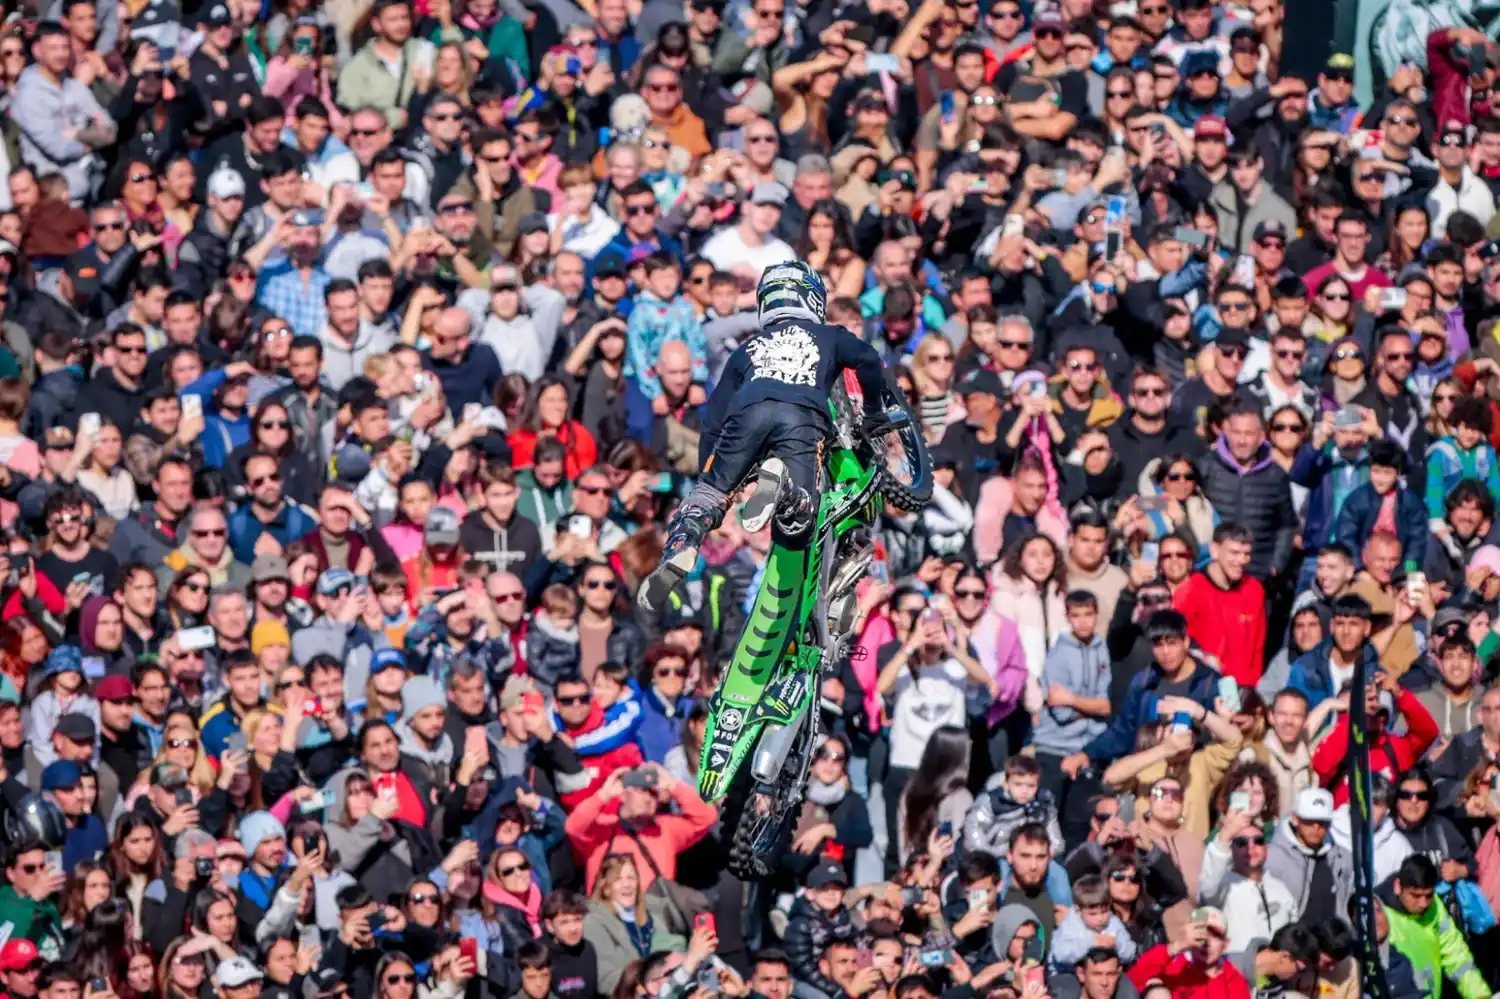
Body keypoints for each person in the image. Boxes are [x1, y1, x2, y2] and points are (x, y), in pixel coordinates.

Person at [638, 261, 885, 609]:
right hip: (800, 417)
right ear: (814, 299)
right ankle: (785, 491)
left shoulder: (747, 349)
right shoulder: (830, 335)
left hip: (746, 415)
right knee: (803, 517)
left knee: (709, 497)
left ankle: (682, 545)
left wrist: (709, 478)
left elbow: (713, 419)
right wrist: (875, 410)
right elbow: (869, 361)